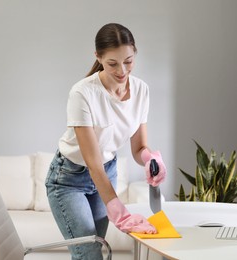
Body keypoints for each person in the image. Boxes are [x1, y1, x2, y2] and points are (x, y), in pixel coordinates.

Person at [45, 23, 167, 260]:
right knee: (88, 253)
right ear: (98, 58)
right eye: (113, 63)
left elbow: (138, 147)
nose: (122, 70)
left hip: (107, 172)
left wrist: (150, 158)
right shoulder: (83, 94)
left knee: (93, 250)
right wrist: (119, 211)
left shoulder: (141, 90)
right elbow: (93, 163)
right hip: (69, 180)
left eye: (128, 61)